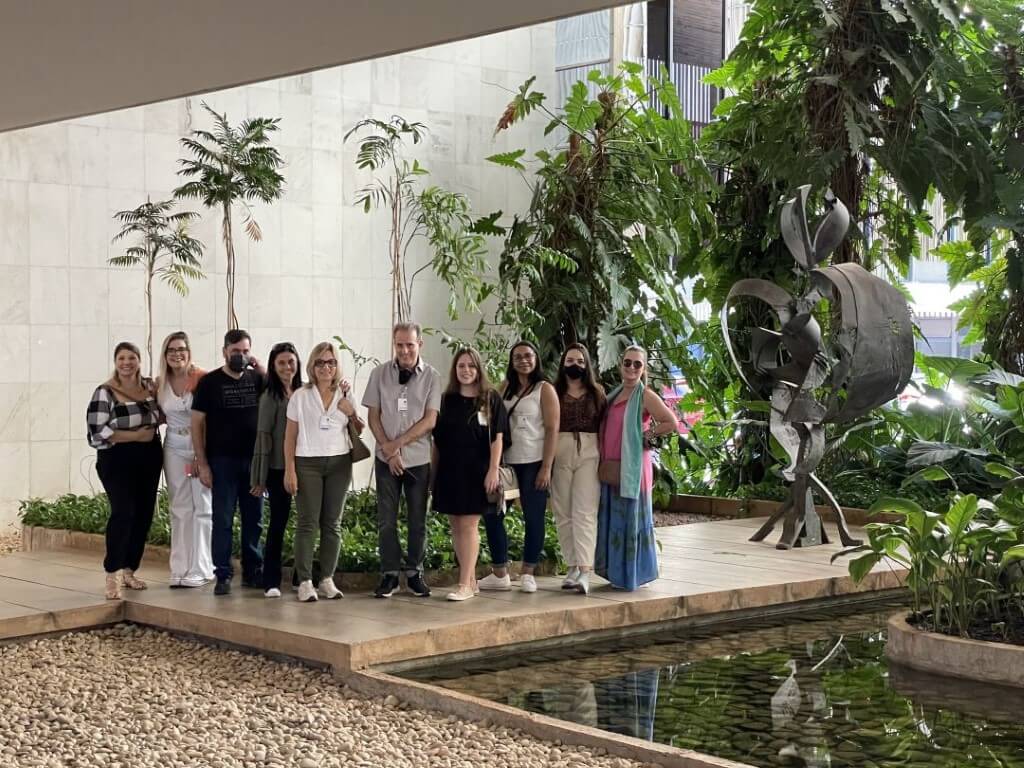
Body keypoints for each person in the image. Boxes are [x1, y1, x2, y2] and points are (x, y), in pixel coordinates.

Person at [362, 322, 441, 599]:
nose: (404, 350)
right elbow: (373, 417)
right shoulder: (379, 374)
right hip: (386, 461)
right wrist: (390, 451)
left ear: (420, 344)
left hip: (418, 460)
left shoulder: (432, 377)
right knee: (387, 520)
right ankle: (390, 574)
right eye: (399, 345)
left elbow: (430, 420)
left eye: (410, 344)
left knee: (418, 520)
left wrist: (397, 445)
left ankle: (415, 573)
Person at [596, 345, 679, 591]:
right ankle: (616, 574)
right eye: (627, 363)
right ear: (621, 365)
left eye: (637, 364)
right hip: (613, 467)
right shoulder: (615, 394)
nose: (631, 368)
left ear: (643, 369)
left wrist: (646, 435)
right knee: (615, 519)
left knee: (631, 520)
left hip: (633, 469)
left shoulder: (645, 396)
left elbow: (670, 422)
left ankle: (632, 575)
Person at [478, 340, 558, 594]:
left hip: (534, 463)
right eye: (518, 357)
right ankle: (500, 572)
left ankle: (528, 572)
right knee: (493, 513)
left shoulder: (544, 389)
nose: (523, 360)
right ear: (512, 362)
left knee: (534, 517)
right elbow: (489, 419)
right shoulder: (504, 388)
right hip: (508, 465)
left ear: (536, 359)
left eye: (528, 356)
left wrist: (547, 467)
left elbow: (552, 429)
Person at [284, 341, 362, 602]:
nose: (326, 367)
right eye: (320, 362)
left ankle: (327, 579)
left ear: (336, 366)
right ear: (312, 366)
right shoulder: (300, 396)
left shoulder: (345, 393)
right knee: (307, 522)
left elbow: (359, 429)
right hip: (307, 463)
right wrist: (290, 470)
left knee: (332, 524)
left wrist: (351, 412)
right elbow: (290, 436)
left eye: (331, 362)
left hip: (339, 463)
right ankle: (305, 581)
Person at [191, 329, 266, 596]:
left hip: (254, 461)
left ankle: (252, 571)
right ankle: (222, 573)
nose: (240, 356)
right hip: (222, 462)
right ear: (225, 351)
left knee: (254, 519)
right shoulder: (209, 382)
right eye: (235, 351)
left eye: (245, 351)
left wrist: (261, 367)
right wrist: (203, 463)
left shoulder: (257, 378)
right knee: (222, 519)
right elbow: (196, 424)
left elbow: (283, 392)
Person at [86, 342, 163, 600]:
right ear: (115, 361)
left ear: (139, 361)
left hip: (149, 457)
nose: (127, 363)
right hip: (116, 459)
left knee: (143, 513)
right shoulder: (105, 392)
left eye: (132, 358)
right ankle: (113, 573)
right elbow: (97, 431)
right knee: (123, 511)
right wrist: (135, 436)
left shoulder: (149, 388)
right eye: (121, 358)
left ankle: (130, 569)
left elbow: (164, 413)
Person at [431, 348, 508, 601]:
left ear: (479, 369)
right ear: (455, 369)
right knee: (455, 524)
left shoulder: (489, 398)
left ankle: (463, 584)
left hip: (477, 470)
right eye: (461, 366)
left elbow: (497, 437)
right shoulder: (446, 400)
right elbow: (437, 441)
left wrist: (493, 470)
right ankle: (471, 580)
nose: (466, 370)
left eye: (471, 366)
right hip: (450, 470)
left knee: (469, 524)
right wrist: (433, 475)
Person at [155, 331, 214, 588]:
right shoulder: (159, 383)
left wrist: (203, 457)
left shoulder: (202, 378)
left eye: (181, 349)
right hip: (174, 447)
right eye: (171, 350)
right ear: (165, 354)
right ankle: (180, 567)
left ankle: (202, 568)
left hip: (199, 445)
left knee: (202, 506)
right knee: (179, 507)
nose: (176, 354)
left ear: (189, 352)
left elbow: (210, 416)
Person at [550, 343, 606, 595]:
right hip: (559, 450)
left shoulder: (597, 393)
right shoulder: (553, 392)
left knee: (585, 510)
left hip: (589, 452)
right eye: (570, 360)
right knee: (563, 511)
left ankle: (584, 570)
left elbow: (604, 426)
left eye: (580, 361)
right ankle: (571, 566)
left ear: (587, 365)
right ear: (563, 363)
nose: (575, 365)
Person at [250, 342, 302, 598]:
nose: (287, 367)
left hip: (306, 466)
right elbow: (263, 438)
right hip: (278, 468)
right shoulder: (270, 397)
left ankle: (301, 577)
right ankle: (271, 580)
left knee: (306, 524)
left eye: (291, 361)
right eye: (281, 363)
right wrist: (259, 478)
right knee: (278, 523)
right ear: (273, 366)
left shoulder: (304, 392)